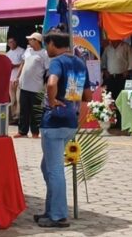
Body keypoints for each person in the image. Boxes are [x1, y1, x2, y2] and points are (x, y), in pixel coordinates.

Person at [36, 32, 92, 228]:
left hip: (53, 122)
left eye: (47, 45)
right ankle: (50, 209)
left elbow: (52, 83)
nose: (46, 49)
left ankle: (58, 215)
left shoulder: (57, 62)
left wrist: (52, 101)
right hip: (70, 121)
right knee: (47, 167)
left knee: (54, 170)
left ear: (52, 43)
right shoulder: (79, 63)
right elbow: (87, 95)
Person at [14, 32, 49, 138]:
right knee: (23, 110)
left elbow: (47, 70)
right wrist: (17, 77)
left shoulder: (44, 53)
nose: (29, 41)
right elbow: (23, 63)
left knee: (35, 111)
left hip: (36, 87)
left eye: (31, 39)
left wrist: (46, 84)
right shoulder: (28, 50)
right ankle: (22, 131)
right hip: (24, 86)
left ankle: (35, 132)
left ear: (37, 41)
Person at [6, 37, 25, 123]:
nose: (11, 43)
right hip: (10, 79)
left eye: (13, 42)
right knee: (12, 100)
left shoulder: (22, 51)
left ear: (16, 42)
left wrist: (15, 66)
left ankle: (19, 116)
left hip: (19, 79)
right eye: (10, 42)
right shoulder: (8, 53)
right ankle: (14, 117)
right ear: (8, 44)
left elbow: (24, 63)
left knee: (19, 99)